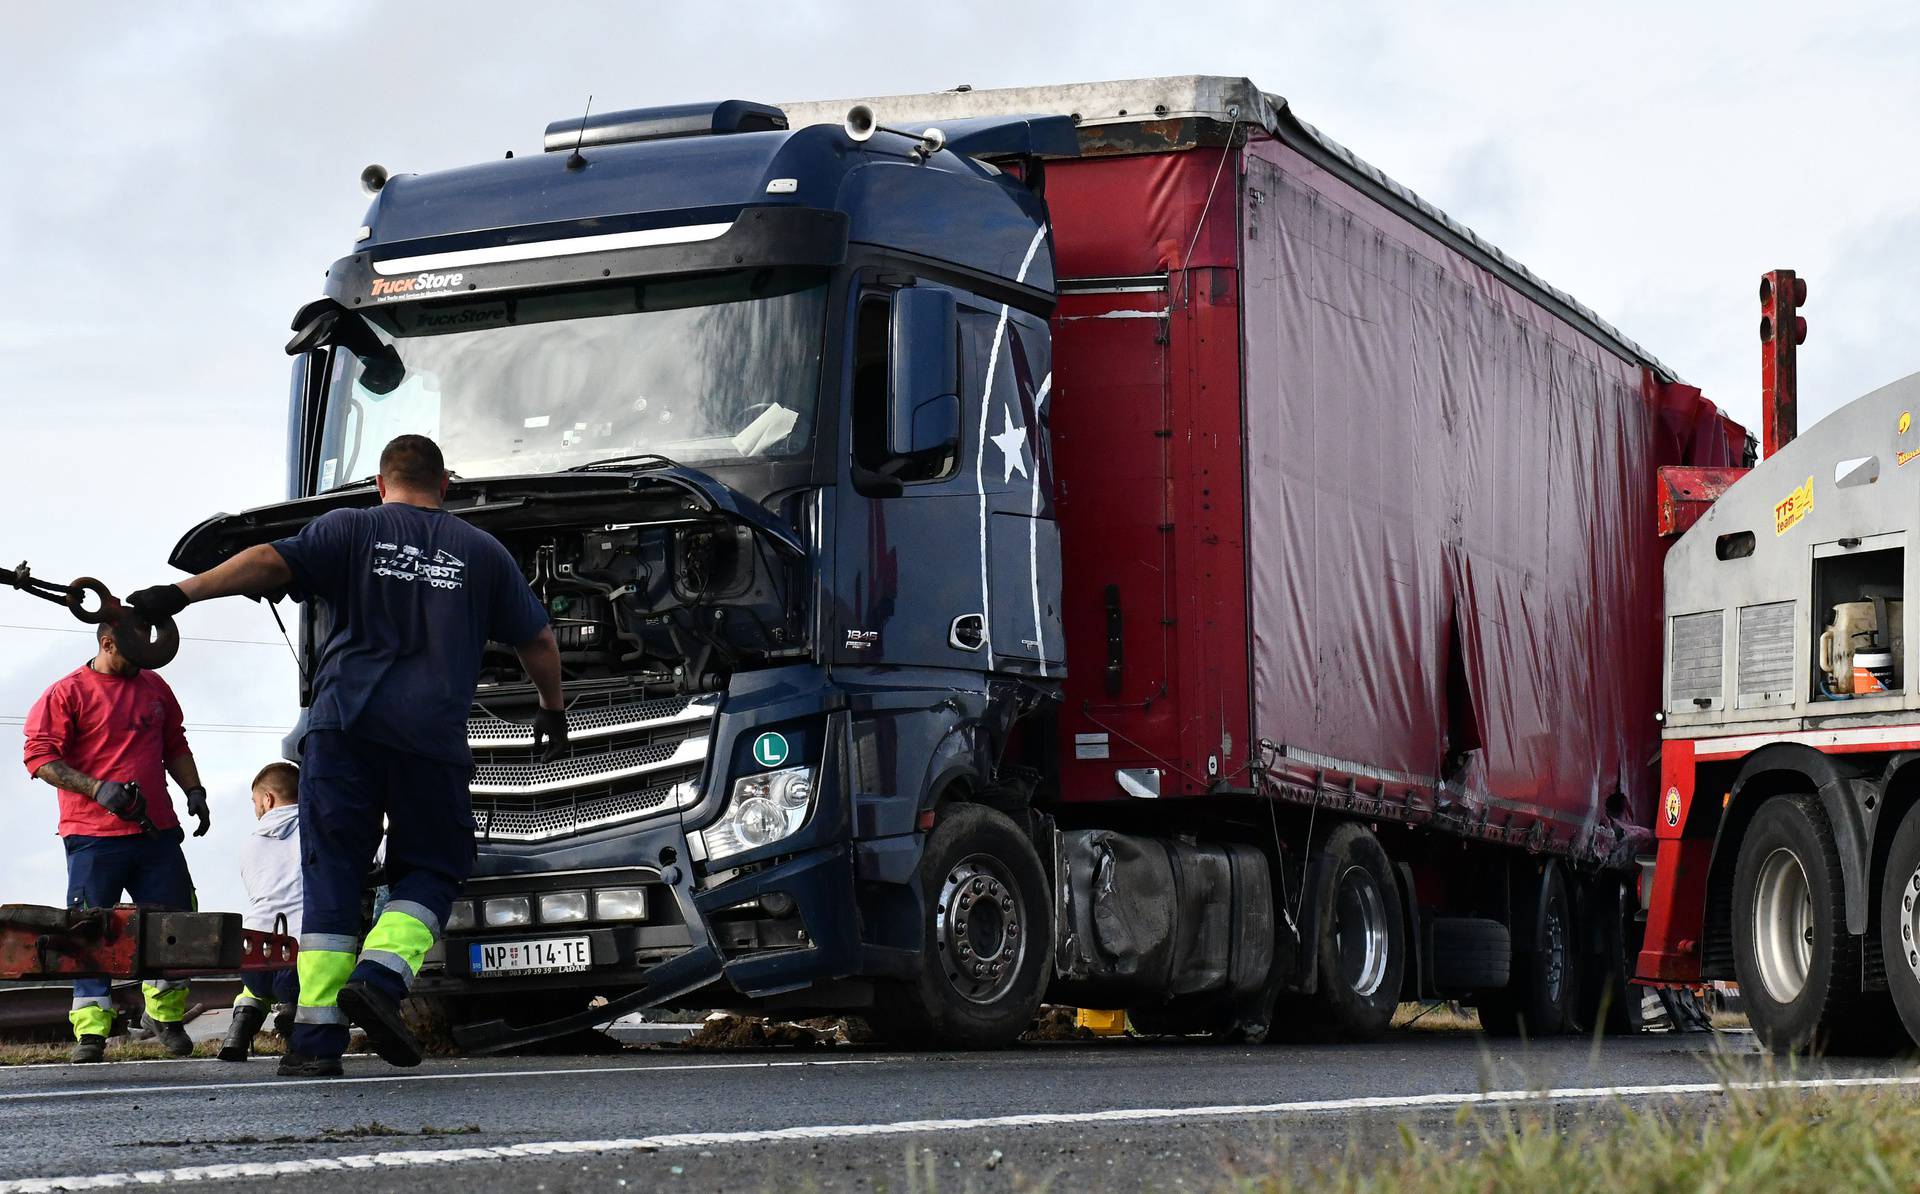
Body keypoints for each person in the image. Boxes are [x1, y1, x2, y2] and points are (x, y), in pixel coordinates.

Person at [129, 433, 568, 1079]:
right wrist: (552, 711)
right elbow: (539, 641)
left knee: (331, 879)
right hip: (430, 741)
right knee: (433, 865)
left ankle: (314, 1043)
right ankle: (382, 978)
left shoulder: (350, 528)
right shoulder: (483, 552)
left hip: (343, 730)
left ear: (380, 484)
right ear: (444, 486)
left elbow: (267, 563)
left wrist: (181, 593)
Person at [21, 617, 211, 1064]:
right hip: (92, 837)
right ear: (106, 642)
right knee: (89, 933)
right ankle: (91, 1033)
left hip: (157, 834)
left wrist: (195, 791)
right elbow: (39, 756)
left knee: (173, 930)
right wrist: (96, 789)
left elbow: (175, 745)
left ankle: (165, 1018)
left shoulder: (155, 686)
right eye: (132, 652)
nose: (141, 661)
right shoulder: (66, 693)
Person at [219, 761, 303, 1062]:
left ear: (268, 800)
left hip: (252, 959)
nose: (256, 810)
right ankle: (295, 1022)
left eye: (255, 803)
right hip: (297, 961)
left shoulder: (250, 845)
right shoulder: (318, 831)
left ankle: (239, 1029)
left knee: (266, 954)